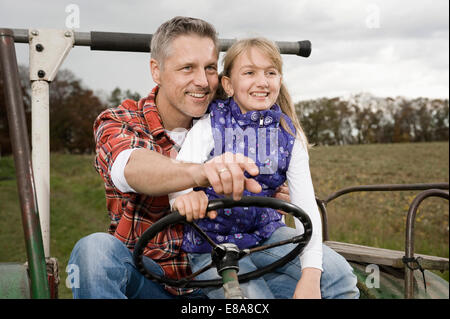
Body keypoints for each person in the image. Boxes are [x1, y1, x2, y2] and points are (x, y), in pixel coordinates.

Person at [68, 16, 358, 299]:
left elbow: (267, 120)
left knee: (331, 280)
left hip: (240, 261)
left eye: (209, 68)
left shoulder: (233, 116)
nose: (202, 81)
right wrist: (200, 174)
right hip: (156, 279)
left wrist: (274, 190)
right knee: (93, 251)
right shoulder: (122, 120)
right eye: (186, 68)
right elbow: (129, 167)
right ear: (156, 70)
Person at [168, 37, 358, 299]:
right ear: (228, 84)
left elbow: (305, 206)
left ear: (280, 79)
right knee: (249, 298)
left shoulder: (289, 134)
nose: (262, 81)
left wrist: (311, 276)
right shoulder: (209, 127)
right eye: (249, 73)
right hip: (213, 245)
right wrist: (185, 197)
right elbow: (179, 177)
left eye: (271, 72)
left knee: (339, 276)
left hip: (268, 237)